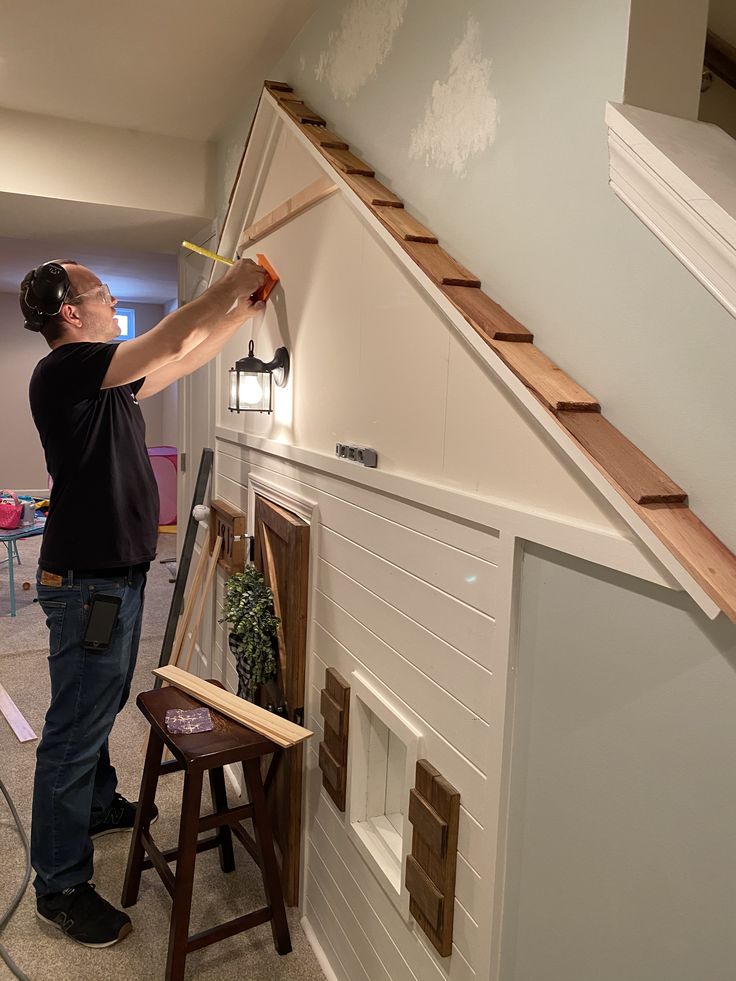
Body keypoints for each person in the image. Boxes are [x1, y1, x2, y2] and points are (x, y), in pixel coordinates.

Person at [20, 256, 267, 948]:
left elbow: (179, 359)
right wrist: (227, 283)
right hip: (89, 583)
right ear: (69, 311)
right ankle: (60, 885)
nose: (111, 300)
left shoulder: (107, 387)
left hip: (116, 576)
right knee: (73, 729)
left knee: (97, 701)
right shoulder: (65, 369)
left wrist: (238, 315)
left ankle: (96, 806)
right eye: (101, 293)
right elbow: (162, 342)